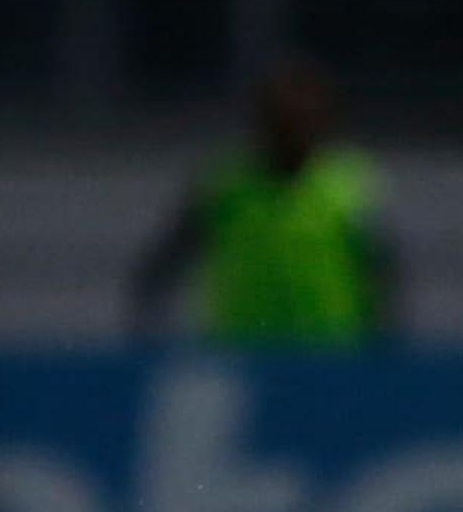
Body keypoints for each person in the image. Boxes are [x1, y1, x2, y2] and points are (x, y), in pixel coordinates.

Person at [130, 61, 394, 346]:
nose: (293, 131)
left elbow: (380, 273)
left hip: (330, 356)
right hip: (242, 357)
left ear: (324, 123)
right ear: (262, 122)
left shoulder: (348, 187)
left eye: (304, 120)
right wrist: (147, 335)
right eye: (283, 121)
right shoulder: (225, 187)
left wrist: (381, 344)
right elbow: (166, 262)